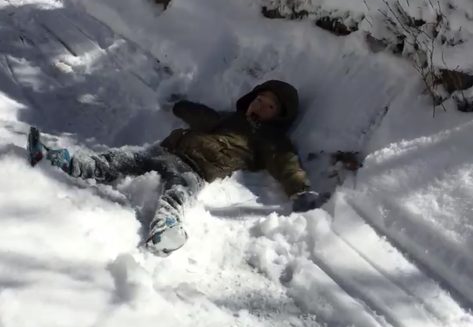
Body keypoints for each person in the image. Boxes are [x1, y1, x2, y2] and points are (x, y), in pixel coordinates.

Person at [26, 79, 324, 256]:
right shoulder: (228, 118)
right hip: (166, 150)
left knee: (176, 194)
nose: (260, 106)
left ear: (278, 116)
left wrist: (299, 190)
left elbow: (286, 162)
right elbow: (202, 116)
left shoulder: (270, 139)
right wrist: (180, 106)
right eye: (259, 99)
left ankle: (166, 229)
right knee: (118, 159)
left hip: (197, 169)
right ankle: (63, 160)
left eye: (270, 106)